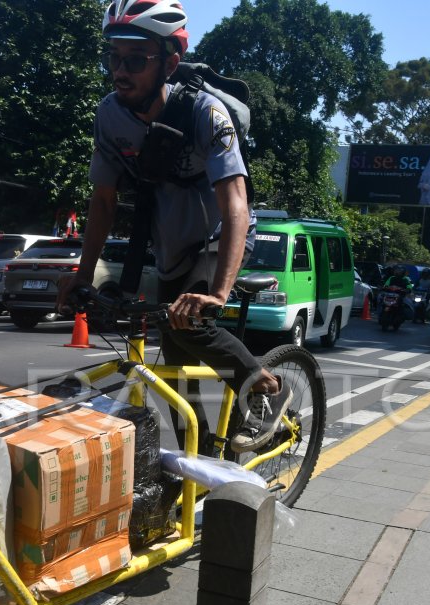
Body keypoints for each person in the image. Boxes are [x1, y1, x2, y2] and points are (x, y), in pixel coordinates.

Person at [58, 0, 292, 453]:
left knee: (194, 323)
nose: (119, 71)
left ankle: (266, 392)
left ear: (170, 62)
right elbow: (103, 201)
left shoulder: (205, 113)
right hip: (171, 247)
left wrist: (218, 295)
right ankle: (200, 463)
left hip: (218, 239)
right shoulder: (110, 114)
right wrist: (83, 276)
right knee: (177, 371)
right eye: (113, 57)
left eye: (135, 60)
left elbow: (236, 206)